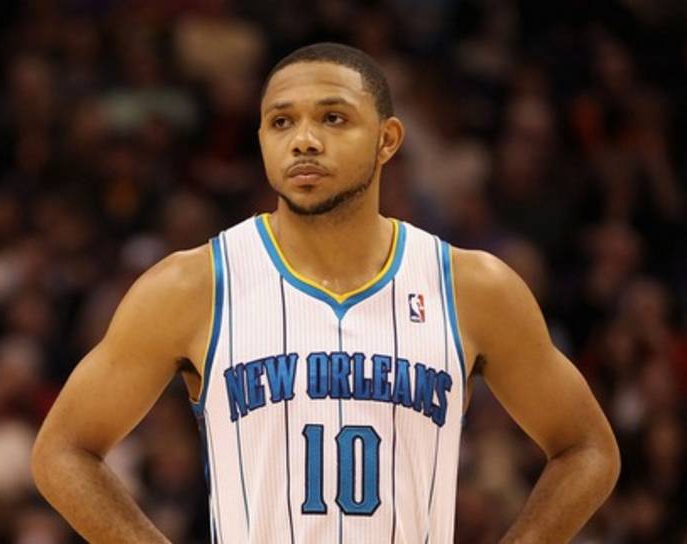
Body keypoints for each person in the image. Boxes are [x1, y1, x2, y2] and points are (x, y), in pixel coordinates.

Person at [31, 43, 620, 543]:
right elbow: (62, 451)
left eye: (333, 118)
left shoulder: (471, 287)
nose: (304, 140)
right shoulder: (193, 285)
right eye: (281, 122)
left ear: (387, 139)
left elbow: (587, 449)